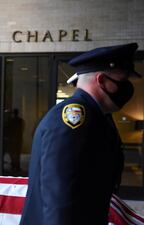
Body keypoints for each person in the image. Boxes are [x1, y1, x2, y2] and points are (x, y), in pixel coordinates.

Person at [20, 43, 141, 225]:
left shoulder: (99, 116)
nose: (127, 88)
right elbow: (59, 196)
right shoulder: (75, 118)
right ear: (101, 80)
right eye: (122, 80)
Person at [9, 108, 25, 174]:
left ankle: (14, 165)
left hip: (14, 139)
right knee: (16, 153)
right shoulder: (20, 121)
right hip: (17, 139)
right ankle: (16, 166)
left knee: (13, 153)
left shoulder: (11, 121)